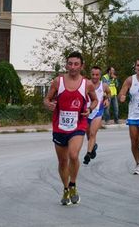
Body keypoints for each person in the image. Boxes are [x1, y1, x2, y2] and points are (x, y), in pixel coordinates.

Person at [44, 51, 97, 205]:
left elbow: (94, 100)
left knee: (73, 155)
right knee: (62, 161)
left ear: (82, 66)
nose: (72, 67)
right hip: (60, 127)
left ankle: (73, 184)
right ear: (66, 64)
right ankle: (66, 188)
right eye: (70, 63)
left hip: (78, 125)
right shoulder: (57, 82)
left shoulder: (87, 84)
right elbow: (46, 99)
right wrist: (49, 104)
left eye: (76, 64)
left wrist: (90, 109)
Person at [83, 66, 111, 165]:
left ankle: (88, 154)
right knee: (88, 135)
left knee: (92, 134)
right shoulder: (86, 84)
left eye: (97, 75)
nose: (95, 77)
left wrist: (107, 99)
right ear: (90, 74)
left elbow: (108, 93)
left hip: (97, 112)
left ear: (100, 75)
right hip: (86, 112)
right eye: (93, 74)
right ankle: (93, 147)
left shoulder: (104, 86)